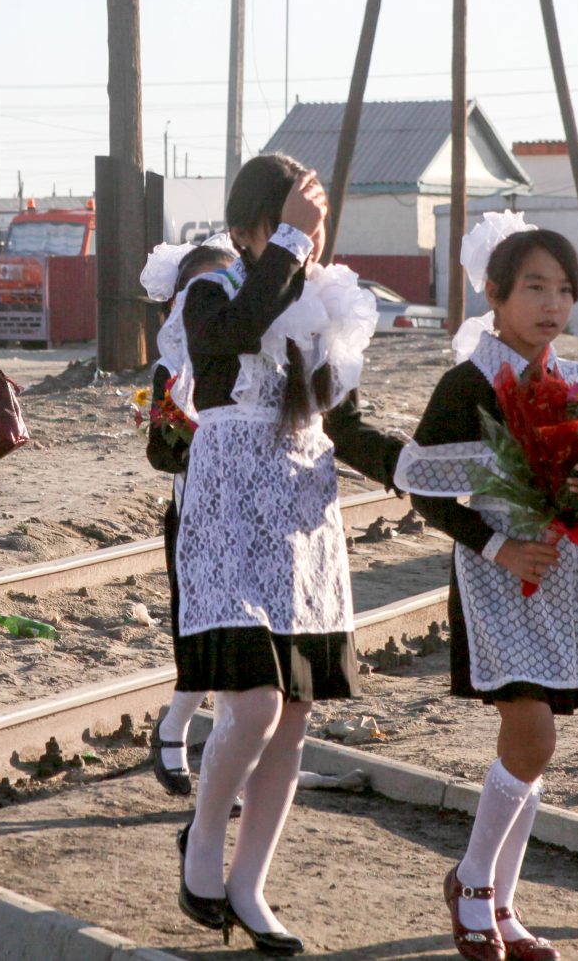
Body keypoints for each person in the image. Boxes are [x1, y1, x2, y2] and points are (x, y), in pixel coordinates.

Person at [327, 218, 578, 961]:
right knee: (535, 735)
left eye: (564, 289)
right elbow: (426, 487)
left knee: (530, 748)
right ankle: (473, 885)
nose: (552, 303)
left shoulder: (575, 382)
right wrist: (501, 546)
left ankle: (502, 906)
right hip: (491, 576)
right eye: (534, 286)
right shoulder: (468, 380)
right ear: (495, 293)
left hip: (555, 575)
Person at [174, 153, 376, 956]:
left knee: (293, 717)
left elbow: (349, 423)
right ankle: (200, 846)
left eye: (314, 227)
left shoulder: (321, 302)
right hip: (228, 511)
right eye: (287, 224)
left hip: (302, 513)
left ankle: (249, 883)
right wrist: (289, 244)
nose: (303, 242)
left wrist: (448, 475)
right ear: (244, 226)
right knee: (253, 704)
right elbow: (234, 334)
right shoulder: (211, 291)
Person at [138, 238, 241, 796]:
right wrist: (215, 441)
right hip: (195, 515)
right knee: (199, 636)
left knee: (246, 643)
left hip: (254, 514)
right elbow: (162, 451)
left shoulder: (249, 353)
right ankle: (175, 728)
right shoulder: (169, 370)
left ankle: (226, 761)